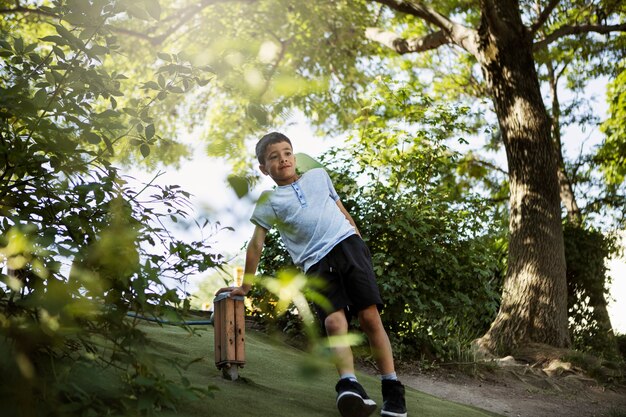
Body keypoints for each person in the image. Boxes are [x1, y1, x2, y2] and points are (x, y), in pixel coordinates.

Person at [217, 132, 407, 417]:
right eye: (273, 157)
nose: (283, 159)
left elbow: (341, 210)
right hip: (316, 263)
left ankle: (393, 392)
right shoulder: (269, 200)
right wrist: (246, 285)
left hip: (349, 247)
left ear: (294, 156)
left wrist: (358, 239)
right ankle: (349, 385)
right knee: (333, 322)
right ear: (263, 169)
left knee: (369, 317)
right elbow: (257, 243)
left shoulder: (318, 176)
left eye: (287, 152)